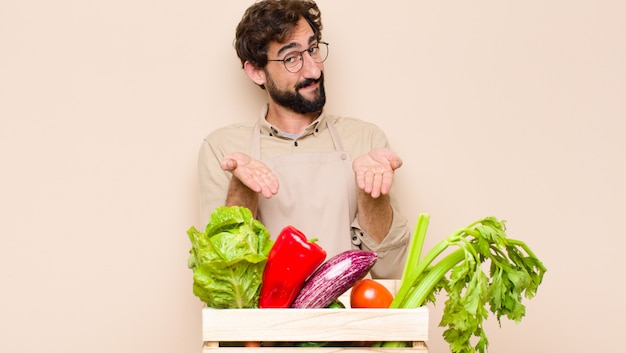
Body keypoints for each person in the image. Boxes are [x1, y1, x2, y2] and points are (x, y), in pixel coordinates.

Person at [197, 0, 411, 279]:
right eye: (291, 58)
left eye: (312, 49)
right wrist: (242, 189)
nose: (314, 70)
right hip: (264, 324)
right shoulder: (222, 149)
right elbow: (222, 279)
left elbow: (389, 269)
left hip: (350, 320)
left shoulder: (364, 139)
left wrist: (372, 196)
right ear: (256, 71)